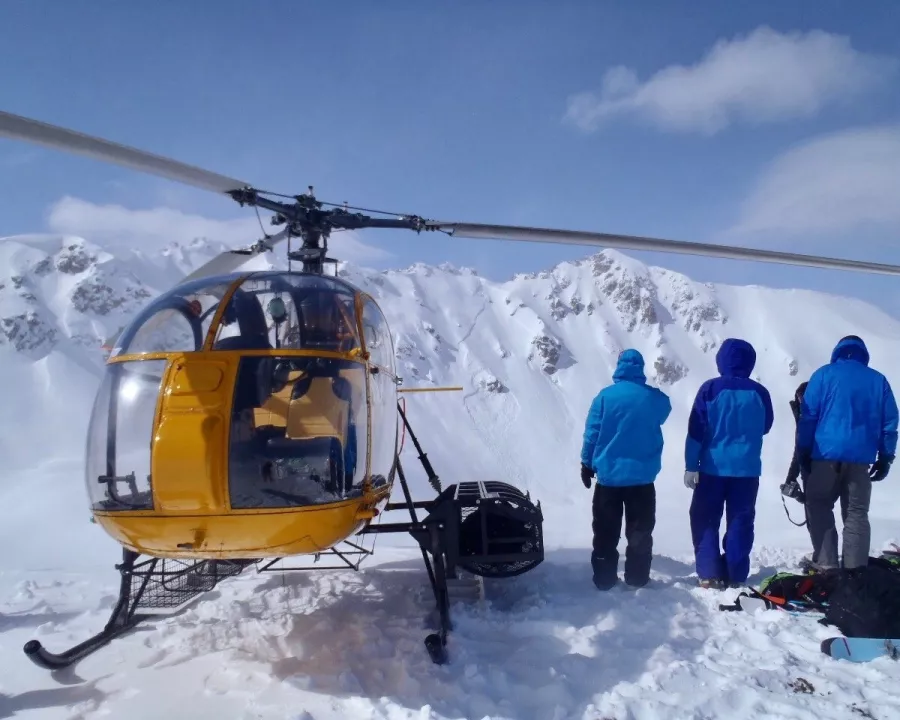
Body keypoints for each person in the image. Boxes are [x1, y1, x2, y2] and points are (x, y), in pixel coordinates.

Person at [796, 335, 898, 570]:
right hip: (861, 460)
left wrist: (804, 450)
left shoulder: (823, 375)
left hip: (824, 456)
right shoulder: (878, 381)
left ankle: (827, 565)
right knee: (856, 514)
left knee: (819, 503)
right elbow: (889, 424)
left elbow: (808, 418)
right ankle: (855, 573)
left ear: (838, 352)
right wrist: (885, 458)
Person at [684, 338, 773, 589]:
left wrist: (691, 465)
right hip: (747, 470)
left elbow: (696, 431)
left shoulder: (710, 389)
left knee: (704, 518)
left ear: (721, 360)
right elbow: (765, 427)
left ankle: (710, 573)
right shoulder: (760, 392)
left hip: (712, 468)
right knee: (740, 522)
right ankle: (735, 573)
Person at [580, 349, 672, 590]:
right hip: (642, 480)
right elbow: (666, 410)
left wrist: (586, 464)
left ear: (619, 366)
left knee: (605, 534)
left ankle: (604, 580)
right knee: (640, 534)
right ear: (640, 368)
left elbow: (592, 434)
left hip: (609, 479)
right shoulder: (654, 398)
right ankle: (638, 578)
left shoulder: (604, 397)